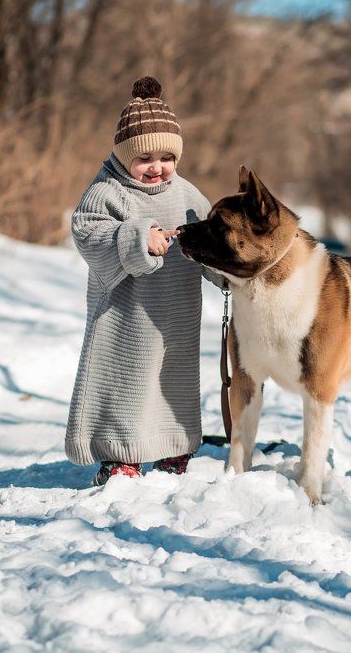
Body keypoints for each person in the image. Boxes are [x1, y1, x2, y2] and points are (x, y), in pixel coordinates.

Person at [65, 76, 220, 486]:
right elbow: (87, 232)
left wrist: (229, 271)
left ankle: (173, 447)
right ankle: (119, 456)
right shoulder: (107, 191)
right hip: (126, 315)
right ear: (124, 154)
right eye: (145, 158)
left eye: (167, 157)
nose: (157, 168)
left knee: (174, 379)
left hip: (177, 313)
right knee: (126, 382)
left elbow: (210, 239)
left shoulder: (187, 194)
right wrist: (136, 236)